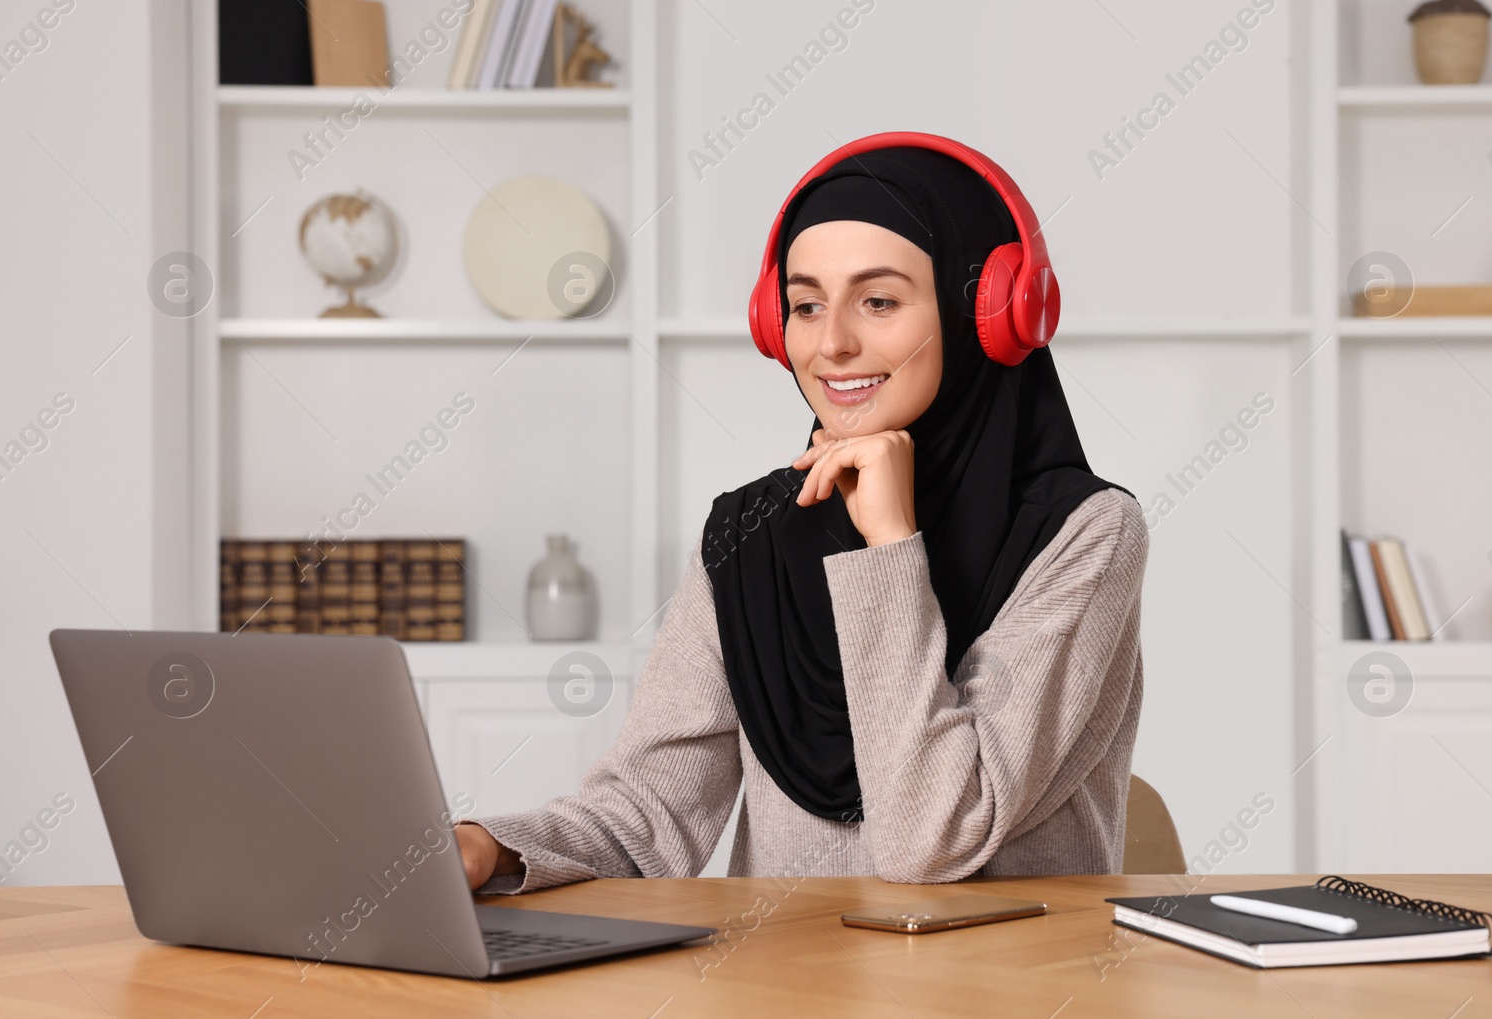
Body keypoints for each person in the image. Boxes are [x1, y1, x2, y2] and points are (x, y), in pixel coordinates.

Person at [455, 138, 1148, 893]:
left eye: (878, 301)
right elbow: (648, 814)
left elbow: (933, 836)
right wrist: (491, 847)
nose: (832, 344)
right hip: (789, 987)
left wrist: (888, 544)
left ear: (982, 310)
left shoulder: (1086, 533)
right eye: (805, 304)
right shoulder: (750, 536)